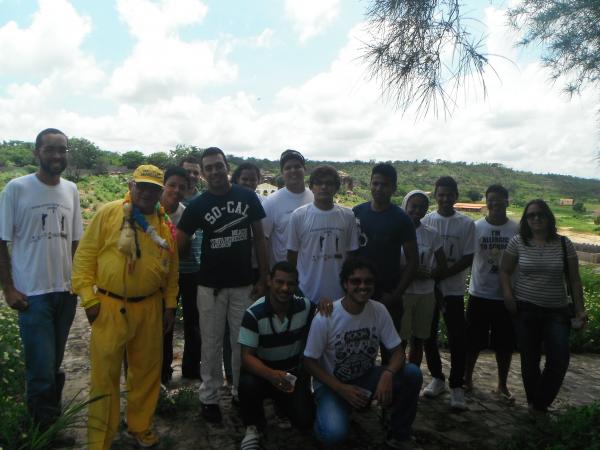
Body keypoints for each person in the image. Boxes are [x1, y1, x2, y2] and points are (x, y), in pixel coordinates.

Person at [72, 164, 179, 449]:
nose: (146, 192)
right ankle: (100, 439)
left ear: (160, 192)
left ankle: (139, 426)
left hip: (150, 308)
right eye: (141, 186)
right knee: (104, 377)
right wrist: (88, 298)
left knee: (146, 373)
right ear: (131, 186)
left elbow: (172, 270)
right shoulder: (109, 212)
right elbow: (84, 257)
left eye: (153, 188)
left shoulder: (163, 223)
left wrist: (170, 306)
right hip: (108, 306)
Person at [0, 128, 83, 435]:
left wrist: (78, 283)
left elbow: (76, 242)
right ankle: (41, 435)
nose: (57, 156)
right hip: (32, 294)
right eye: (50, 150)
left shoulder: (71, 190)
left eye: (62, 150)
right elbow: (1, 240)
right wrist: (8, 288)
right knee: (40, 370)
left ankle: (51, 424)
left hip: (65, 292)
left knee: (53, 365)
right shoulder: (16, 188)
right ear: (37, 152)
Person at [177, 147, 268, 423]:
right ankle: (210, 398)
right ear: (203, 174)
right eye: (209, 168)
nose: (215, 171)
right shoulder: (197, 205)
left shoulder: (247, 196)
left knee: (242, 344)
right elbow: (179, 241)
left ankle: (241, 393)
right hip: (210, 286)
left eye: (219, 166)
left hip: (243, 284)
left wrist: (264, 276)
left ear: (227, 167)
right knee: (212, 344)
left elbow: (259, 238)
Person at [303, 258, 423, 449]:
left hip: (365, 377)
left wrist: (388, 373)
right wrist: (340, 388)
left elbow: (398, 352)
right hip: (332, 385)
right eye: (356, 281)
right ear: (345, 284)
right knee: (334, 435)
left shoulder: (378, 310)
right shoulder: (327, 317)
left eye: (368, 281)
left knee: (412, 374)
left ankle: (399, 433)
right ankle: (322, 418)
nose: (363, 286)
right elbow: (309, 361)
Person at [500, 199, 587, 414]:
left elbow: (574, 279)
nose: (536, 218)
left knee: (558, 360)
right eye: (531, 215)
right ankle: (535, 406)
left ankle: (540, 402)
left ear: (549, 217)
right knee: (529, 361)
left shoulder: (563, 243)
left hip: (557, 311)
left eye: (540, 214)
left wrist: (580, 309)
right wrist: (508, 295)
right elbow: (505, 271)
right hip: (525, 310)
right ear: (525, 220)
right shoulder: (518, 242)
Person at [238, 261, 316, 449]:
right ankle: (252, 426)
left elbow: (323, 314)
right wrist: (272, 375)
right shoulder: (253, 314)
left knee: (305, 421)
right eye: (279, 282)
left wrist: (326, 304)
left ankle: (282, 407)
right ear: (269, 281)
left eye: (290, 283)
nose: (284, 288)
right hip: (263, 375)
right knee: (247, 382)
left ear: (296, 285)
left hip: (291, 376)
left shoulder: (305, 307)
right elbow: (246, 357)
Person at [353, 163, 418, 363]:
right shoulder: (356, 212)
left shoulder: (401, 219)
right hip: (359, 292)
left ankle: (390, 391)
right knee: (360, 348)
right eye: (375, 183)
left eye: (385, 185)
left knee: (390, 350)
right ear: (370, 184)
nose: (379, 189)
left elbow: (413, 260)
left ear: (394, 188)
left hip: (389, 294)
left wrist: (396, 294)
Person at [421, 176, 475, 410]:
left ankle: (456, 385)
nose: (445, 199)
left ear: (456, 196)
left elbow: (468, 257)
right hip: (428, 289)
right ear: (435, 195)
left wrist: (443, 273)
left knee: (457, 337)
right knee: (428, 335)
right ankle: (437, 378)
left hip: (452, 289)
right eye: (440, 194)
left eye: (449, 194)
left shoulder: (466, 224)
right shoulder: (426, 220)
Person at [464, 185, 519, 400]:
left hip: (506, 295)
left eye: (499, 200)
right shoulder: (476, 227)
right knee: (473, 341)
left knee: (504, 345)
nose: (495, 204)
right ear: (486, 202)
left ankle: (502, 385)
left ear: (507, 201)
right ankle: (467, 379)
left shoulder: (515, 230)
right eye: (491, 200)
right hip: (479, 293)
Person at [287, 165, 359, 305]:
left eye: (329, 183)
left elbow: (352, 256)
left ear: (337, 187)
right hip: (306, 294)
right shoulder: (298, 216)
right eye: (319, 183)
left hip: (341, 295)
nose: (324, 187)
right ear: (311, 187)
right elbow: (292, 256)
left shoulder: (348, 216)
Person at [400, 190, 447, 367]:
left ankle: (414, 376)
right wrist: (410, 270)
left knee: (418, 339)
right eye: (414, 206)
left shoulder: (431, 233)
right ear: (406, 205)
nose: (417, 211)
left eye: (422, 207)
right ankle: (400, 376)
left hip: (425, 294)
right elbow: (387, 262)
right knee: (400, 340)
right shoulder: (397, 230)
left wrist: (429, 273)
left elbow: (442, 265)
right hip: (403, 292)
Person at [160, 166, 192, 384]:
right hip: (148, 277)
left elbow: (182, 251)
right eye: (172, 185)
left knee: (167, 326)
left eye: (182, 187)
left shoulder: (184, 214)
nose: (176, 190)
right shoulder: (148, 208)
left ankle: (164, 373)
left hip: (173, 277)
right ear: (164, 185)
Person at [262, 149, 313, 268]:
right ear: (282, 172)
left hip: (311, 272)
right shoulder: (271, 202)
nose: (293, 171)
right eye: (288, 168)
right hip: (283, 275)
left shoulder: (315, 198)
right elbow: (263, 240)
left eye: (297, 166)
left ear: (304, 169)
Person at [177, 157, 204, 380]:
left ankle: (191, 369)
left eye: (196, 172)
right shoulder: (167, 198)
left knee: (194, 324)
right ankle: (163, 369)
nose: (192, 176)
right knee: (163, 322)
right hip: (170, 270)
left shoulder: (203, 201)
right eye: (188, 172)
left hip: (195, 270)